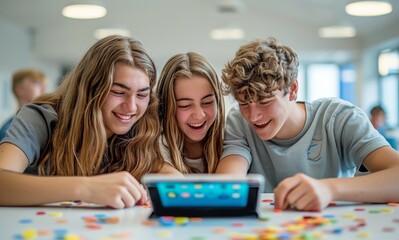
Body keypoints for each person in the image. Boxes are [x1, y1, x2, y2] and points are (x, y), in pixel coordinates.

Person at [216, 37, 399, 211]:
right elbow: (226, 188)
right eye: (244, 103)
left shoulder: (339, 118)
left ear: (293, 90)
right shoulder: (238, 121)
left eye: (265, 102)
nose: (253, 116)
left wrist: (329, 189)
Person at [0, 35, 168, 208]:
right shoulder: (40, 118)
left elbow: (162, 169)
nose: (131, 107)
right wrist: (86, 187)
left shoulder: (140, 125)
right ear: (90, 88)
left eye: (142, 94)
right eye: (118, 92)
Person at [156, 52, 225, 174]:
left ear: (218, 101)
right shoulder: (155, 143)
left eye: (207, 102)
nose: (199, 115)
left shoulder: (230, 138)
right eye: (185, 105)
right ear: (166, 107)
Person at [0, 68, 47, 140]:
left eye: (43, 84)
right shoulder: (8, 129)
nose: (43, 88)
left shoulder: (44, 124)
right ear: (20, 89)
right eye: (36, 82)